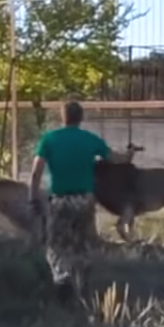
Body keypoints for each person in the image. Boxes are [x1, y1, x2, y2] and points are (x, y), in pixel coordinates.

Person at [28, 101, 132, 303]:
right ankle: (83, 285)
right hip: (85, 201)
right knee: (83, 244)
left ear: (62, 116)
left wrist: (33, 199)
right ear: (81, 117)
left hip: (59, 201)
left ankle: (61, 278)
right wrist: (128, 154)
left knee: (56, 244)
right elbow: (115, 158)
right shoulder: (90, 139)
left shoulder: (49, 139)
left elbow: (36, 172)